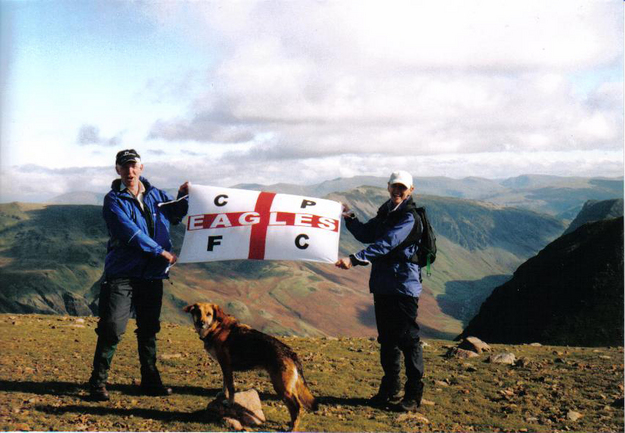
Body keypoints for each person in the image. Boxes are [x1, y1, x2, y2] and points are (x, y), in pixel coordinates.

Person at [88, 149, 189, 401]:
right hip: (122, 273)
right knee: (112, 327)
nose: (129, 171)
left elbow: (175, 215)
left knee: (148, 328)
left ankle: (150, 381)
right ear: (117, 170)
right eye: (124, 167)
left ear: (141, 168)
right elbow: (128, 232)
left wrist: (183, 196)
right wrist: (160, 252)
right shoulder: (113, 200)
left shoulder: (156, 195)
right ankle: (97, 382)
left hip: (152, 275)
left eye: (133, 166)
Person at [335, 170, 425, 412]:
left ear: (411, 191)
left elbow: (387, 244)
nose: (398, 191)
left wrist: (354, 260)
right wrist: (349, 216)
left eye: (402, 188)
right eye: (394, 187)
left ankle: (414, 395)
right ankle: (390, 390)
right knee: (387, 339)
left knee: (408, 339)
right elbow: (367, 234)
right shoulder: (386, 212)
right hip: (384, 285)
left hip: (404, 287)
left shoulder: (409, 217)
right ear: (388, 187)